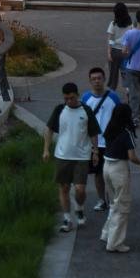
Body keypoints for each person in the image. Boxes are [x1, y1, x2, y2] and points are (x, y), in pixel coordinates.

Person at [44, 82, 101, 233]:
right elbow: (49, 130)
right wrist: (46, 150)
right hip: (62, 155)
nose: (69, 101)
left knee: (80, 189)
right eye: (66, 98)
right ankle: (67, 218)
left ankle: (80, 208)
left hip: (81, 156)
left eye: (72, 98)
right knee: (63, 187)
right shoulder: (60, 110)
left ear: (77, 95)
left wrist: (95, 152)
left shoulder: (86, 111)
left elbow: (94, 133)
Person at [100, 103, 140, 253]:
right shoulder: (126, 132)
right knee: (122, 206)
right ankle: (115, 243)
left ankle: (107, 234)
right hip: (119, 169)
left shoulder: (110, 129)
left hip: (106, 167)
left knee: (114, 203)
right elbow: (131, 157)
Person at [82, 67, 122, 212]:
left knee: (111, 174)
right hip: (94, 143)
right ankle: (102, 200)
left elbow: (121, 117)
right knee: (98, 174)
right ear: (90, 81)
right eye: (94, 79)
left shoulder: (114, 97)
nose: (97, 81)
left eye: (99, 78)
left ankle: (113, 200)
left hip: (111, 142)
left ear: (104, 79)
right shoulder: (85, 98)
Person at [106, 2, 133, 90]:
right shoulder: (130, 24)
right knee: (125, 73)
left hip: (115, 51)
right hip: (126, 51)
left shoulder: (113, 24)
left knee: (113, 75)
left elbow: (110, 39)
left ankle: (112, 92)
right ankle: (128, 90)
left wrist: (109, 52)